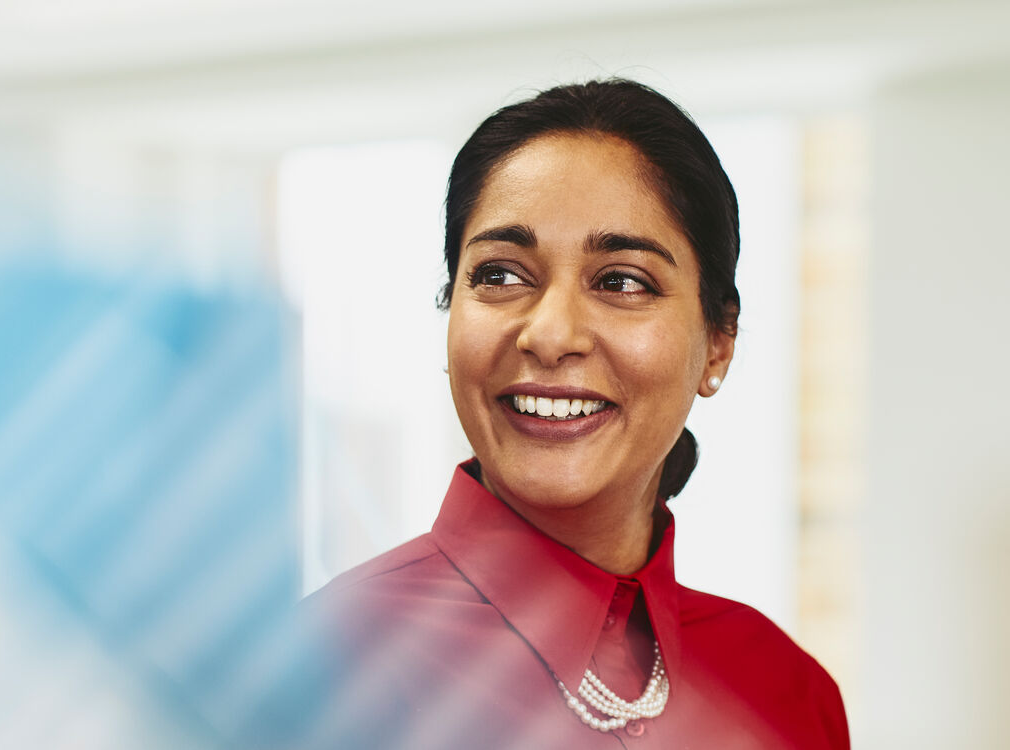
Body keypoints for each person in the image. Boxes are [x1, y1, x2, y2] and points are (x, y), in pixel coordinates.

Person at [254, 79, 850, 749]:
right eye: (500, 276)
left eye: (622, 281)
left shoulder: (782, 689)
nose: (549, 332)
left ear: (718, 343)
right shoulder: (320, 668)